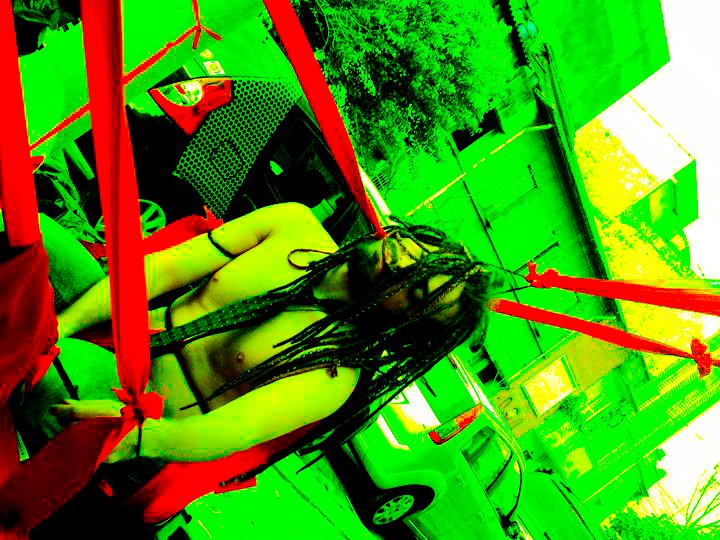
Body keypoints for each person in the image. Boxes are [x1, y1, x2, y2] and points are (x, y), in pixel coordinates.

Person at [24, 202, 495, 488]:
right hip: (118, 331)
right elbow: (162, 270)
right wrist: (63, 324)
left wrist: (137, 440)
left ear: (408, 323)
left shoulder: (334, 373)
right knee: (30, 229)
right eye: (423, 251)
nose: (405, 259)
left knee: (43, 366)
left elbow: (232, 431)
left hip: (135, 409)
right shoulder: (293, 225)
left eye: (417, 286)